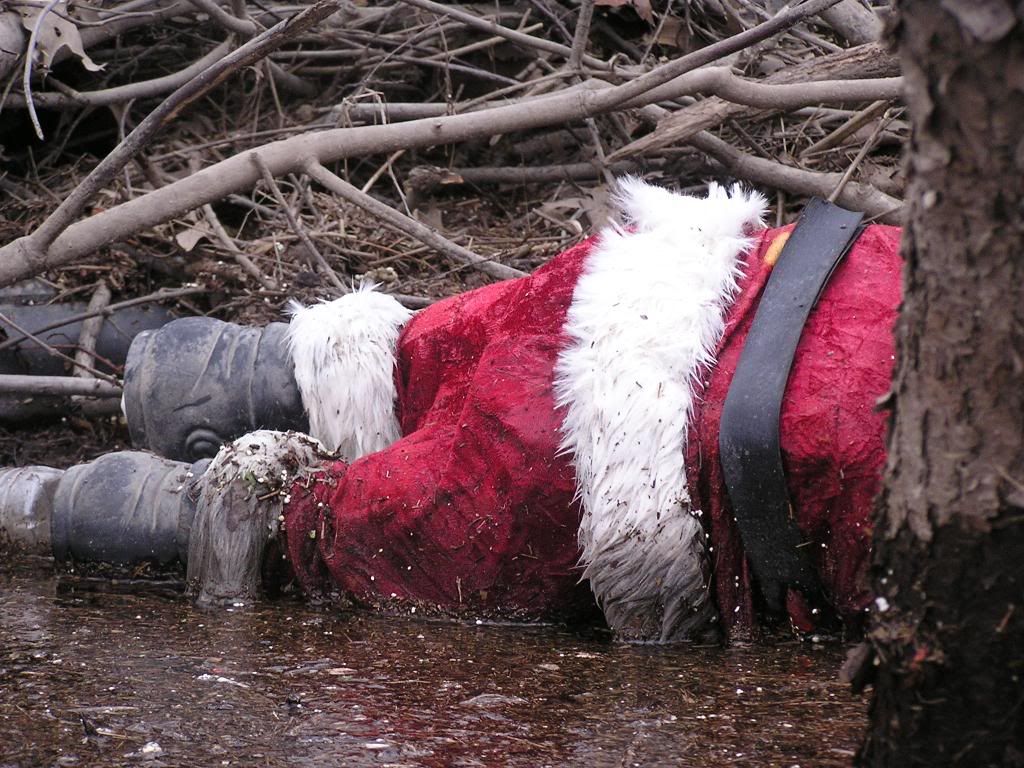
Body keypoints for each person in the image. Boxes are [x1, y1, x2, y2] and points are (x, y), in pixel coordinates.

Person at [1, 180, 903, 644]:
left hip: (674, 307)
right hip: (645, 437)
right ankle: (62, 500)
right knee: (328, 517)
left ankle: (113, 402)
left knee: (408, 376)